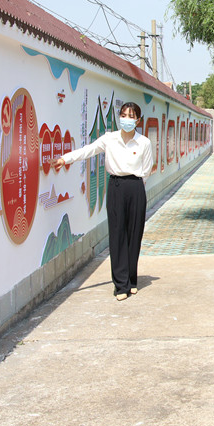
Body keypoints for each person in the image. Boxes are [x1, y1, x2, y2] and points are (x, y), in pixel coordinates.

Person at [53, 102, 153, 301]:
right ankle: (121, 285)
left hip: (136, 187)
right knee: (117, 234)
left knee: (134, 233)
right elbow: (88, 150)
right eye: (123, 115)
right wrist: (65, 159)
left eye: (131, 116)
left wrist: (136, 187)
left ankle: (131, 279)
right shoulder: (110, 139)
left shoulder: (144, 143)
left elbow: (147, 169)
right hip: (116, 186)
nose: (126, 119)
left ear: (138, 120)